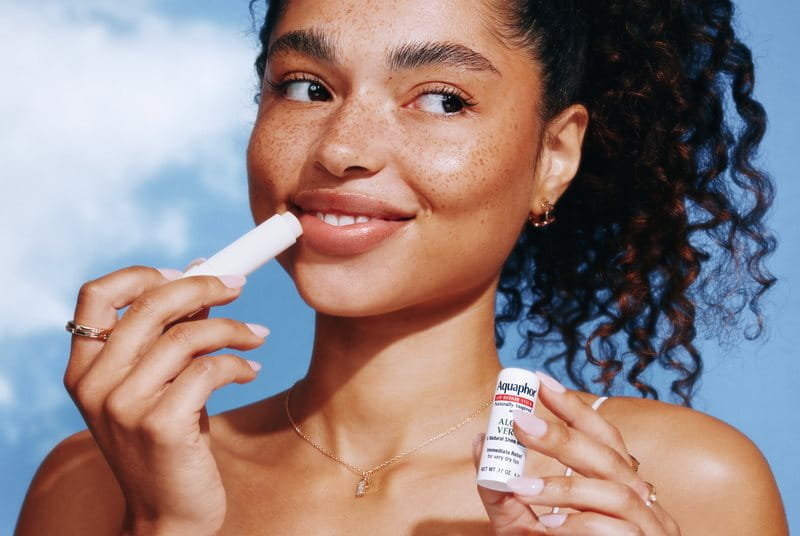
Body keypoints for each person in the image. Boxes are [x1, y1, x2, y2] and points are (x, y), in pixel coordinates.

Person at [16, 0, 789, 534]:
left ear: (554, 156)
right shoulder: (93, 479)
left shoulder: (682, 482)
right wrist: (165, 526)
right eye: (306, 87)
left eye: (442, 100)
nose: (342, 148)